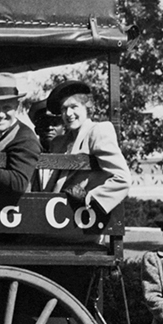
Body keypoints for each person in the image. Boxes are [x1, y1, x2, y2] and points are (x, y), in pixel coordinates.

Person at [41, 79, 134, 219]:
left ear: (87, 107)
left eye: (74, 107)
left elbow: (122, 178)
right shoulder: (59, 142)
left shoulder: (98, 131)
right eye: (64, 109)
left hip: (82, 219)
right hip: (53, 215)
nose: (68, 113)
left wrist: (89, 198)